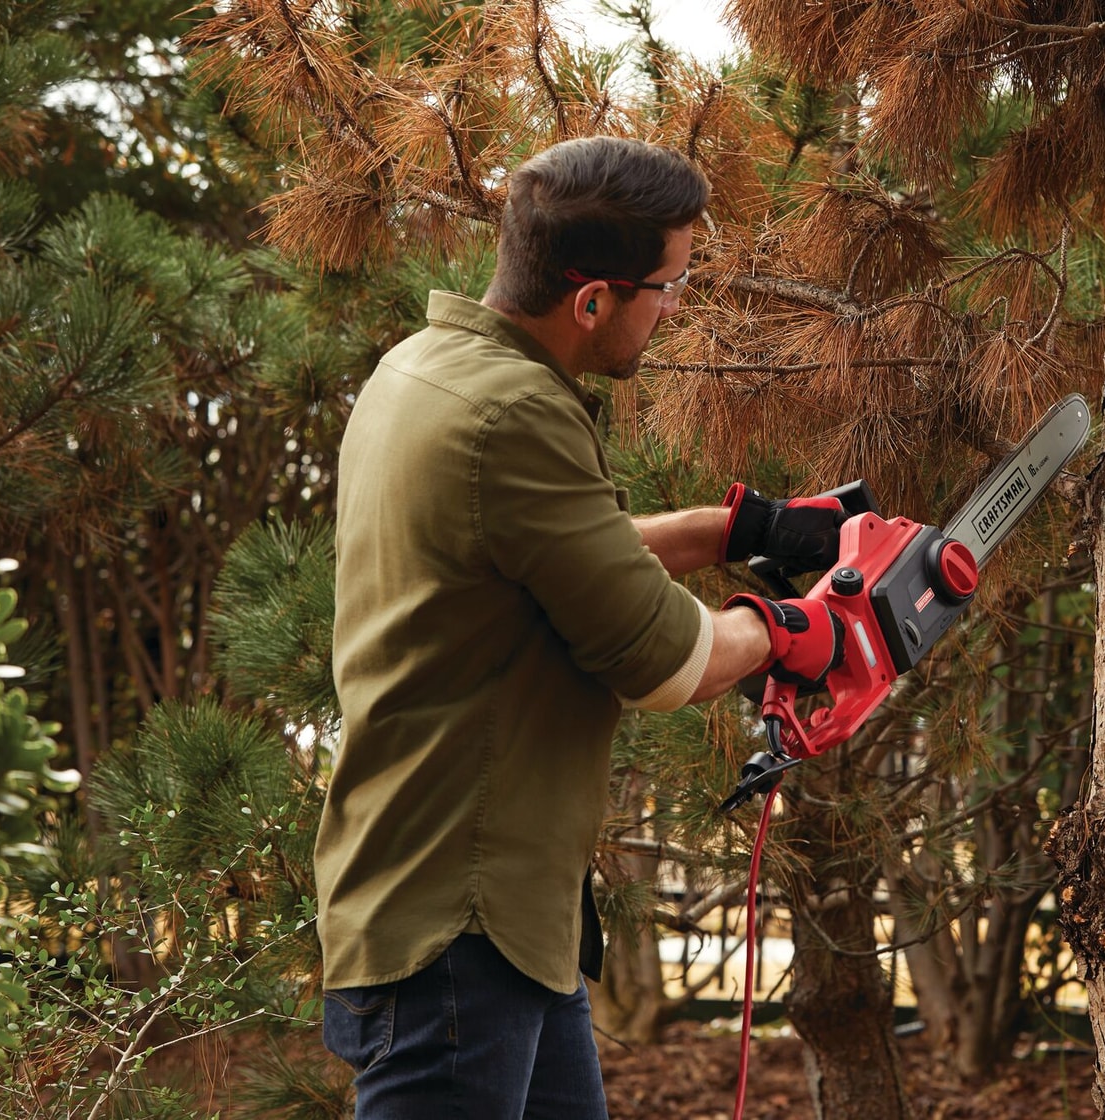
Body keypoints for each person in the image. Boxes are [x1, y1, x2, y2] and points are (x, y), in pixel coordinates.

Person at [314, 136, 846, 1119]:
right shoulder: (517, 413)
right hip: (456, 928)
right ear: (591, 299)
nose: (676, 305)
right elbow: (666, 660)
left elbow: (542, 552)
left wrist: (739, 529)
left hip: (503, 920)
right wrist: (794, 623)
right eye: (666, 285)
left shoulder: (426, 371)